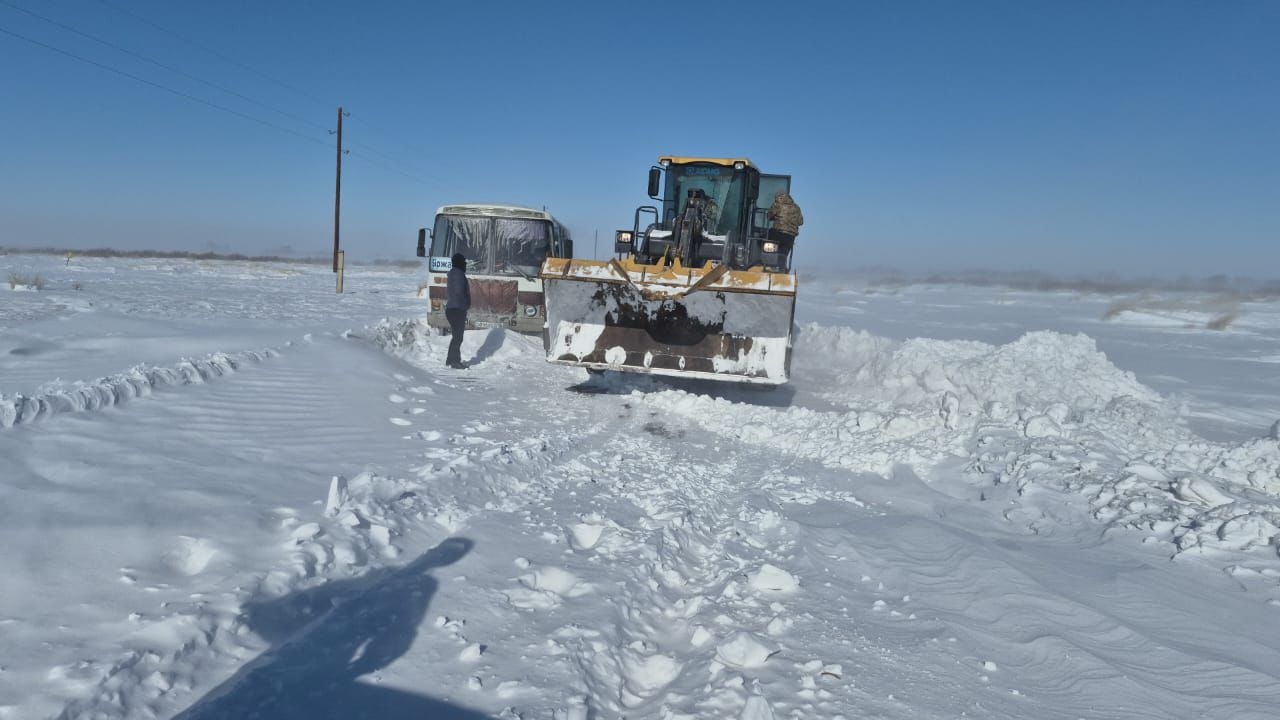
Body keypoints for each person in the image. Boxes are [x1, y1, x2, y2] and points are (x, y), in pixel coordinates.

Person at [445, 252, 470, 369]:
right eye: (464, 262)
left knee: (456, 337)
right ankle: (454, 361)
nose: (465, 264)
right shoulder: (458, 274)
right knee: (458, 337)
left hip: (452, 309)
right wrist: (465, 304)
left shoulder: (453, 273)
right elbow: (459, 292)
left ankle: (450, 360)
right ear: (460, 263)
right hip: (457, 309)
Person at [767, 190, 803, 256]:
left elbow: (769, 215)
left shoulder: (777, 204)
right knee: (782, 256)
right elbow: (801, 222)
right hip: (790, 236)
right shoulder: (797, 207)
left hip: (777, 233)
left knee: (769, 251)